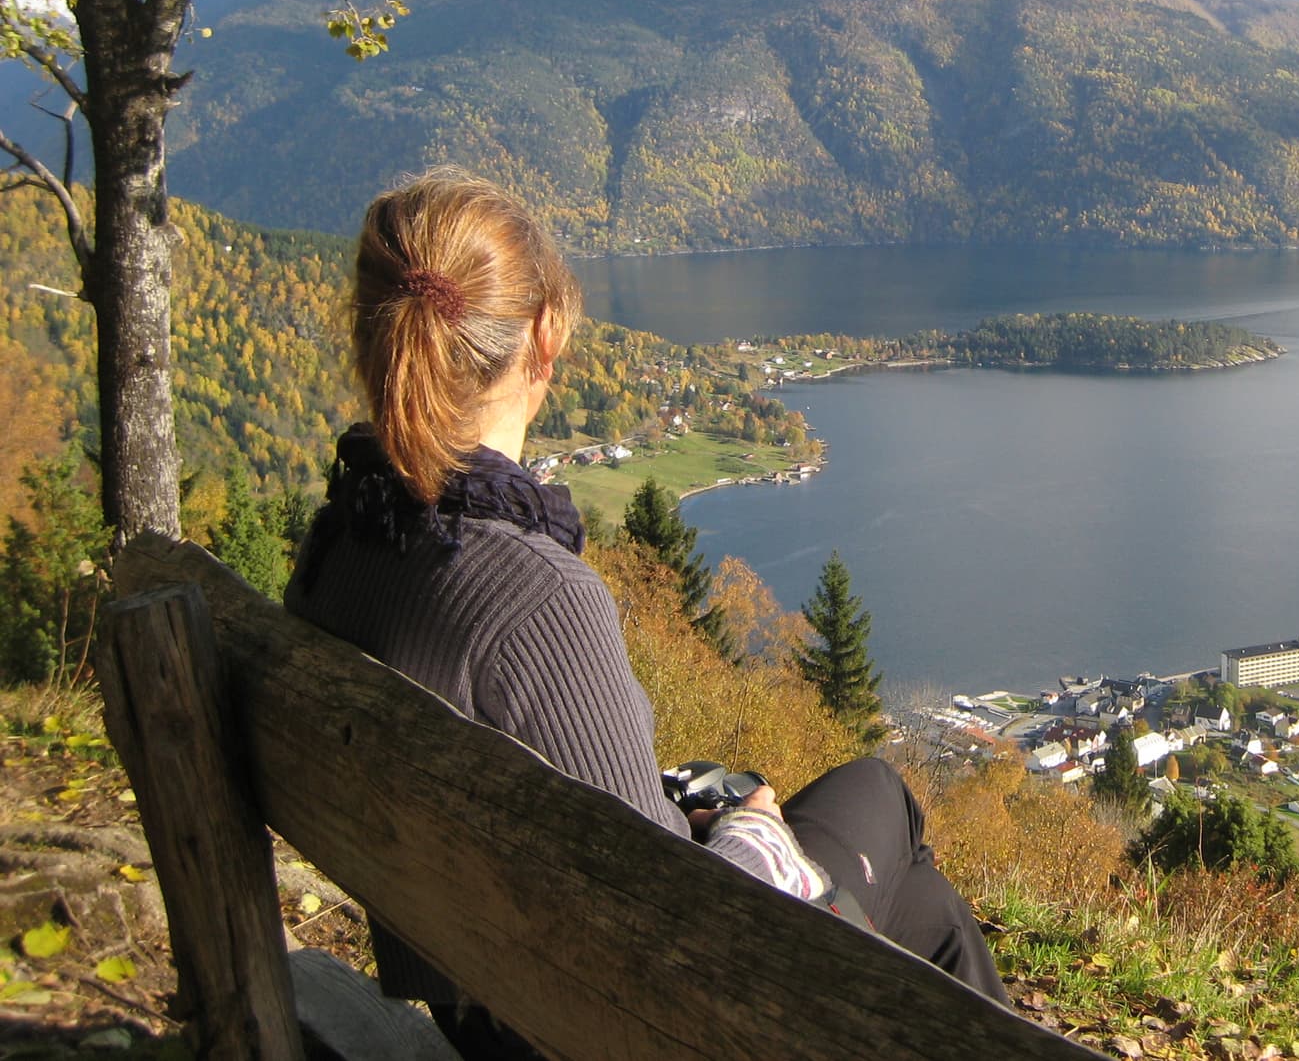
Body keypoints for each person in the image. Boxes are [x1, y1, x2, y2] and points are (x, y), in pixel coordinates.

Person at [286, 169, 1004, 1058]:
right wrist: (748, 829)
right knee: (883, 799)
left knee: (915, 897)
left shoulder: (340, 541)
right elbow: (665, 907)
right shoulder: (535, 595)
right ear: (543, 339)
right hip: (607, 1020)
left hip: (480, 989)